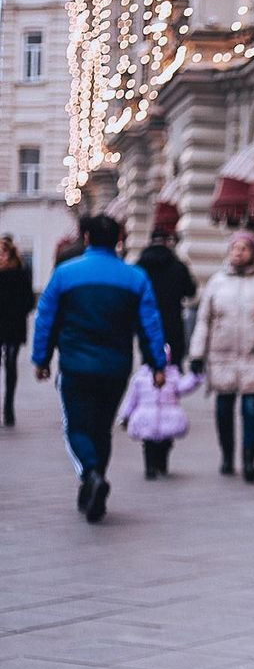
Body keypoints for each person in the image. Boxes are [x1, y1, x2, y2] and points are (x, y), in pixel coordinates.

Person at [32, 214, 168, 523]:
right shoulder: (135, 278)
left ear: (86, 238)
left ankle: (91, 475)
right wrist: (157, 364)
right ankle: (94, 486)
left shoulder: (65, 274)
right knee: (102, 428)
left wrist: (42, 359)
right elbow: (150, 324)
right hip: (116, 366)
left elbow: (46, 320)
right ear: (119, 240)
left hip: (75, 365)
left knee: (77, 427)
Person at [188, 230, 254, 483]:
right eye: (235, 247)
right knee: (223, 410)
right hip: (221, 356)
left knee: (251, 409)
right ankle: (226, 456)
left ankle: (248, 461)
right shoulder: (216, 282)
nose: (238, 252)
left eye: (244, 248)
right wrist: (196, 354)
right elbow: (204, 320)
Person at [119, 350, 203, 478]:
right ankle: (150, 468)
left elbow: (183, 386)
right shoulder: (141, 377)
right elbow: (132, 399)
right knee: (148, 445)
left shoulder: (172, 376)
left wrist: (194, 375)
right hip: (147, 418)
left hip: (167, 418)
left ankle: (162, 465)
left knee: (165, 444)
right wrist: (125, 415)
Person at [137, 228, 198, 367]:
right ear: (167, 242)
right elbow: (190, 291)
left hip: (147, 318)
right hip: (173, 319)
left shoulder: (140, 266)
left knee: (148, 361)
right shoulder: (178, 266)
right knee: (174, 363)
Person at [0, 238, 36, 426]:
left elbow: (30, 301)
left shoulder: (21, 274)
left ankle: (8, 407)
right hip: (7, 324)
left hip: (13, 326)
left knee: (11, 363)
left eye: (3, 253)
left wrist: (17, 310)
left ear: (10, 254)